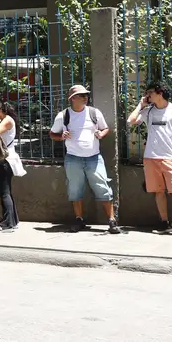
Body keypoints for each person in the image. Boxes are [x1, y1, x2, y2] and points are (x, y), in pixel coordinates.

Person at [50, 85, 120, 234]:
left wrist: (101, 134)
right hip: (73, 158)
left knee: (103, 187)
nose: (85, 97)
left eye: (86, 95)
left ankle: (112, 221)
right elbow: (52, 134)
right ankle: (79, 220)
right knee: (74, 190)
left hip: (94, 158)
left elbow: (105, 128)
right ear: (73, 98)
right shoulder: (63, 115)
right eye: (82, 95)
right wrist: (61, 137)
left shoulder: (94, 112)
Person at [127, 82, 172, 237]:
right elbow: (131, 121)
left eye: (150, 92)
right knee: (158, 191)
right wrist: (140, 105)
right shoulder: (148, 111)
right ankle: (164, 223)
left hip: (171, 157)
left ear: (160, 93)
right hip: (151, 158)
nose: (147, 95)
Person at [0, 98, 21, 231]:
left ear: (0, 109)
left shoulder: (7, 120)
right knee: (5, 191)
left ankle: (8, 223)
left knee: (4, 192)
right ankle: (13, 221)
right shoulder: (4, 119)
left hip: (5, 160)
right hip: (5, 159)